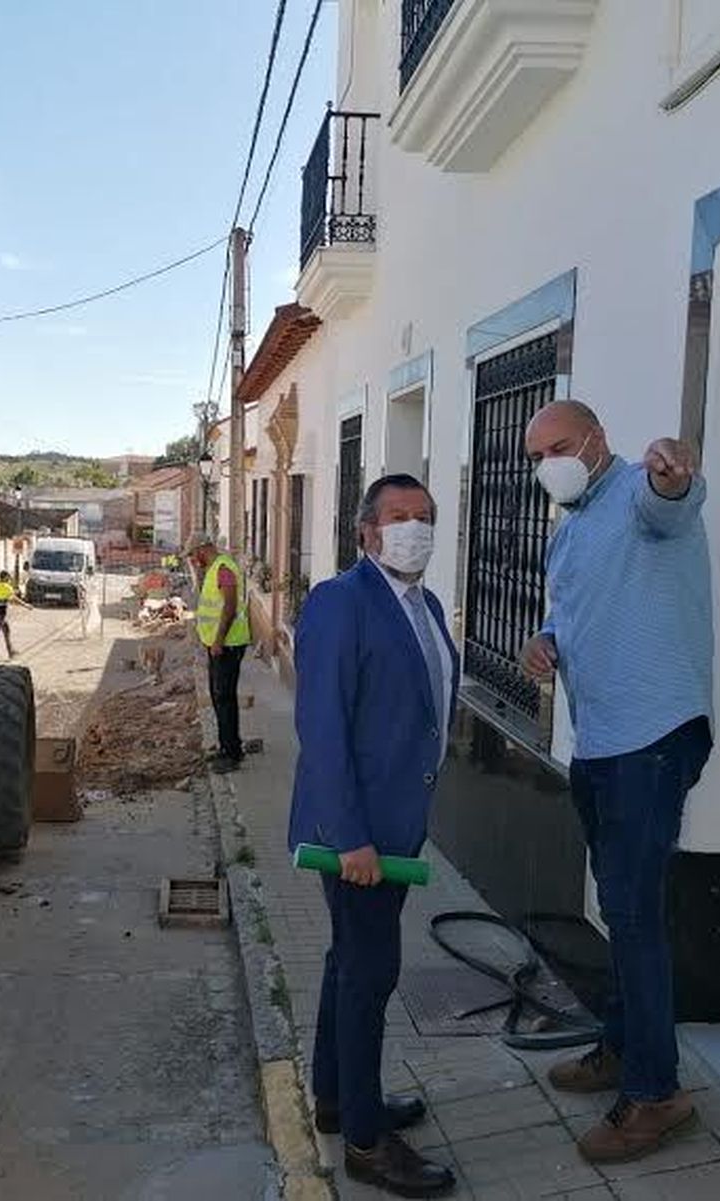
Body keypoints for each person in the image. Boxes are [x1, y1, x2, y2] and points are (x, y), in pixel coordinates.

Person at [518, 400, 713, 1165]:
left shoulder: (639, 492)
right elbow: (570, 614)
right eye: (538, 454)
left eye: (561, 446)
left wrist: (672, 473)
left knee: (634, 915)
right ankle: (620, 1045)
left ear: (598, 440)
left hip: (653, 740)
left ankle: (656, 1092)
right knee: (619, 909)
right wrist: (544, 641)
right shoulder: (570, 531)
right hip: (600, 742)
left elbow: (674, 501)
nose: (549, 463)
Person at [286, 474, 459, 1199]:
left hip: (395, 828)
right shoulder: (340, 602)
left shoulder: (425, 603)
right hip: (358, 839)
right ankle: (363, 1140)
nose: (412, 528)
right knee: (370, 976)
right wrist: (350, 836)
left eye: (423, 517)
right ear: (367, 533)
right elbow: (320, 728)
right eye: (397, 517)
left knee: (349, 964)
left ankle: (337, 1096)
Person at [187, 531, 251, 773]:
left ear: (203, 549)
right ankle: (226, 746)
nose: (193, 560)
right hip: (218, 644)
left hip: (227, 644)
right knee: (218, 695)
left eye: (193, 555)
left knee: (224, 697)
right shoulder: (215, 568)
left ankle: (232, 752)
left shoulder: (224, 568)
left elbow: (230, 607)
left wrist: (218, 640)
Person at [0, 570, 31, 659]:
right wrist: (26, 605)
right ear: (5, 577)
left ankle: (11, 652)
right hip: (0, 614)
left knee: (6, 630)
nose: (9, 579)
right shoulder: (6, 587)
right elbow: (15, 599)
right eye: (8, 577)